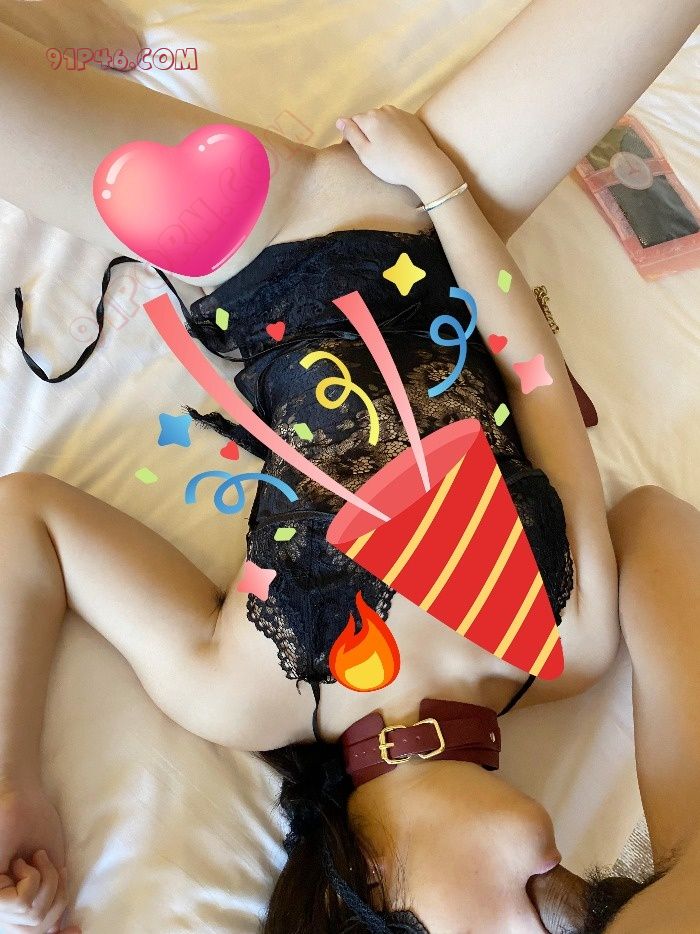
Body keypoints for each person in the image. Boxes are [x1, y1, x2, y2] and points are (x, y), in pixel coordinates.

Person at [0, 1, 698, 931]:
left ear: (360, 897)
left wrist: (9, 778)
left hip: (241, 241)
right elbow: (535, 382)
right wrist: (443, 192)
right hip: (438, 212)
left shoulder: (242, 694)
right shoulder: (575, 642)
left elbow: (28, 523)